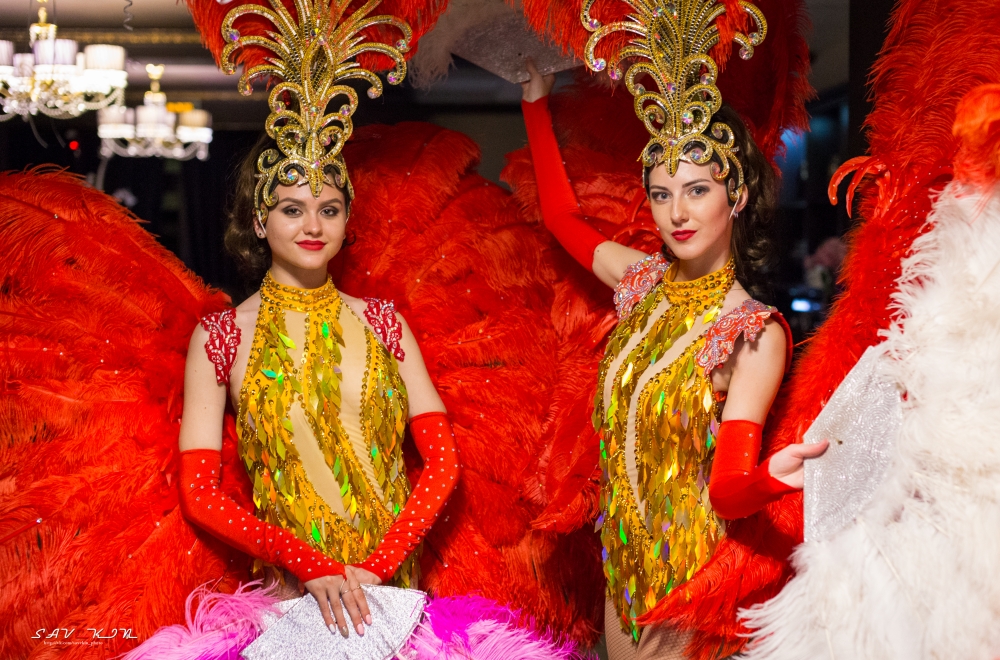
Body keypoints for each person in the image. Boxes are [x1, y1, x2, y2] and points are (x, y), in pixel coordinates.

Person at [520, 55, 827, 659]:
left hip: (692, 582)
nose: (677, 213)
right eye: (661, 194)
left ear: (736, 195)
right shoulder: (640, 283)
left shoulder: (752, 333)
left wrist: (773, 477)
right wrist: (535, 103)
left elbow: (727, 491)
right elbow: (560, 217)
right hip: (620, 573)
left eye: (697, 190)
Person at [176, 131, 460, 640]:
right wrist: (303, 562)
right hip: (289, 602)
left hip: (394, 598)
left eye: (329, 210)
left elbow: (443, 462)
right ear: (259, 221)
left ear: (346, 221)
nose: (313, 226)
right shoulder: (221, 337)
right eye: (292, 210)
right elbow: (198, 493)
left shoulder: (384, 323)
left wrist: (379, 567)